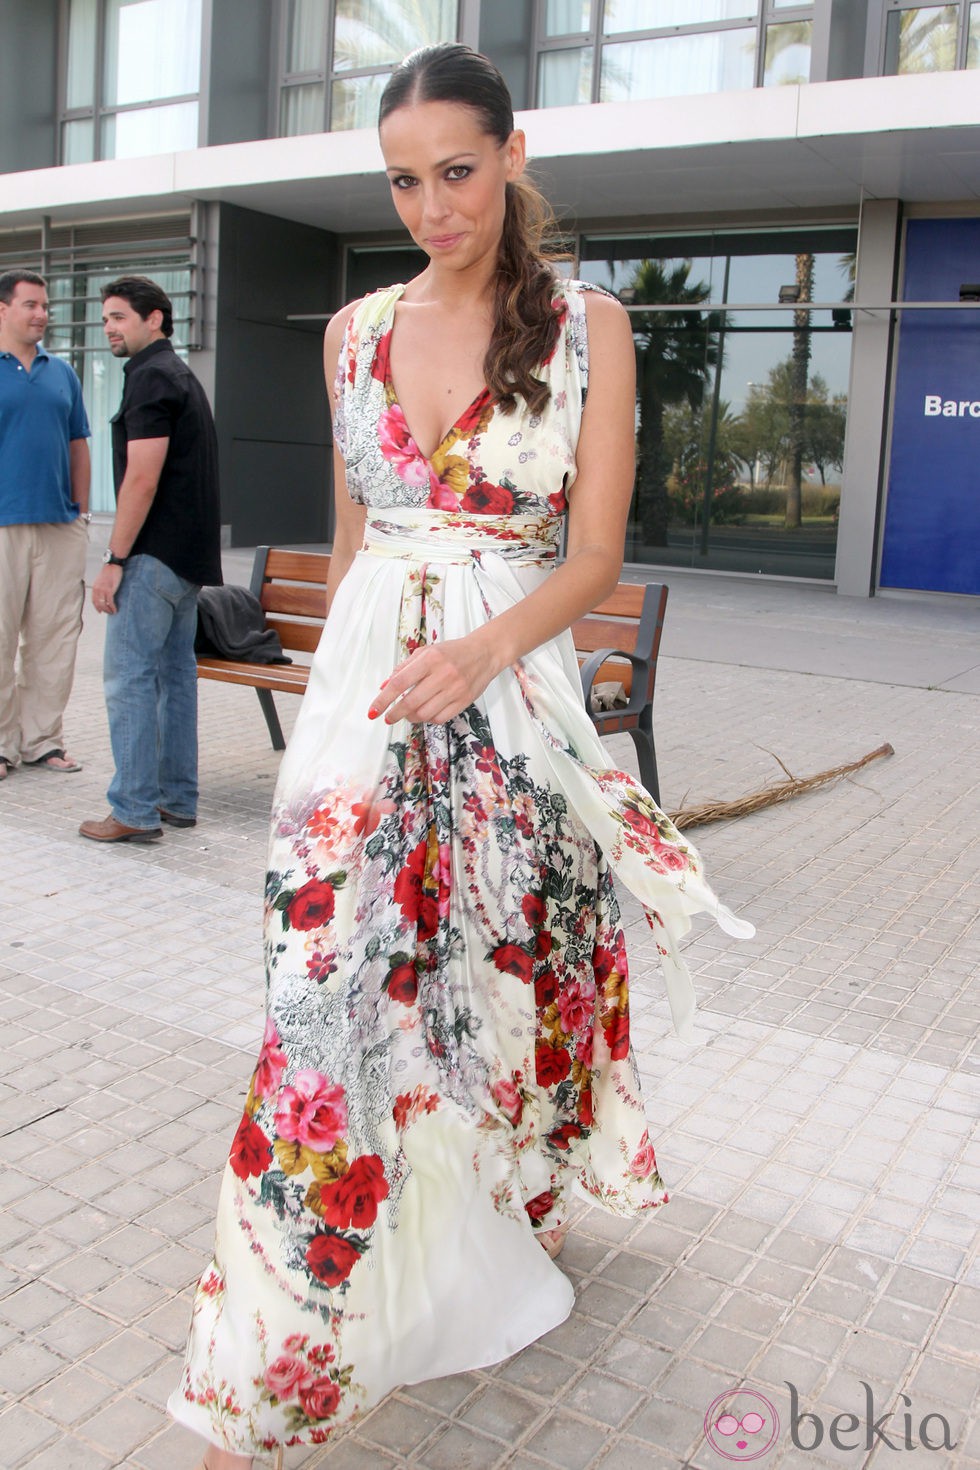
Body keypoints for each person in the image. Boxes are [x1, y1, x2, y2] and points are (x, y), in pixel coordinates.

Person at [169, 44, 752, 1469]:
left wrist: (481, 654)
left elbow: (597, 551)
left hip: (504, 690)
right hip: (369, 699)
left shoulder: (589, 329)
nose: (433, 204)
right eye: (404, 179)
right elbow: (360, 527)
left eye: (457, 170)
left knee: (487, 976)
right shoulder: (351, 329)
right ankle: (274, 1351)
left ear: (511, 155)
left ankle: (463, 1229)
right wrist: (333, 698)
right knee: (324, 990)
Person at [79, 276, 222, 843]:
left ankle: (134, 810)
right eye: (106, 318)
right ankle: (174, 800)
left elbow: (142, 476)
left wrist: (115, 557)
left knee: (129, 679)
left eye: (119, 317)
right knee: (173, 678)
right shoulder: (176, 373)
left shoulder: (151, 377)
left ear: (154, 319)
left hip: (155, 556)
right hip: (188, 559)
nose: (110, 328)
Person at [0, 269, 91, 782]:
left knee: (53, 638)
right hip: (2, 525)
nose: (40, 314)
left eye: (44, 306)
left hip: (59, 525)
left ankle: (42, 741)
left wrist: (81, 511)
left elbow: (79, 442)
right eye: (30, 304)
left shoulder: (63, 373)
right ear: (3, 310)